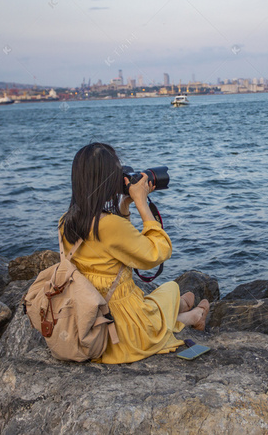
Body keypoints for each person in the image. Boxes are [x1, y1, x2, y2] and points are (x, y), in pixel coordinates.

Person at [58, 143, 209, 364]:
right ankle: (191, 316)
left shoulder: (66, 221)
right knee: (171, 289)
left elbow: (117, 247)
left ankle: (179, 309)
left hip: (85, 317)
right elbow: (158, 252)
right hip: (119, 331)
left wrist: (124, 206)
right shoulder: (108, 226)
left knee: (164, 297)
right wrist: (141, 202)